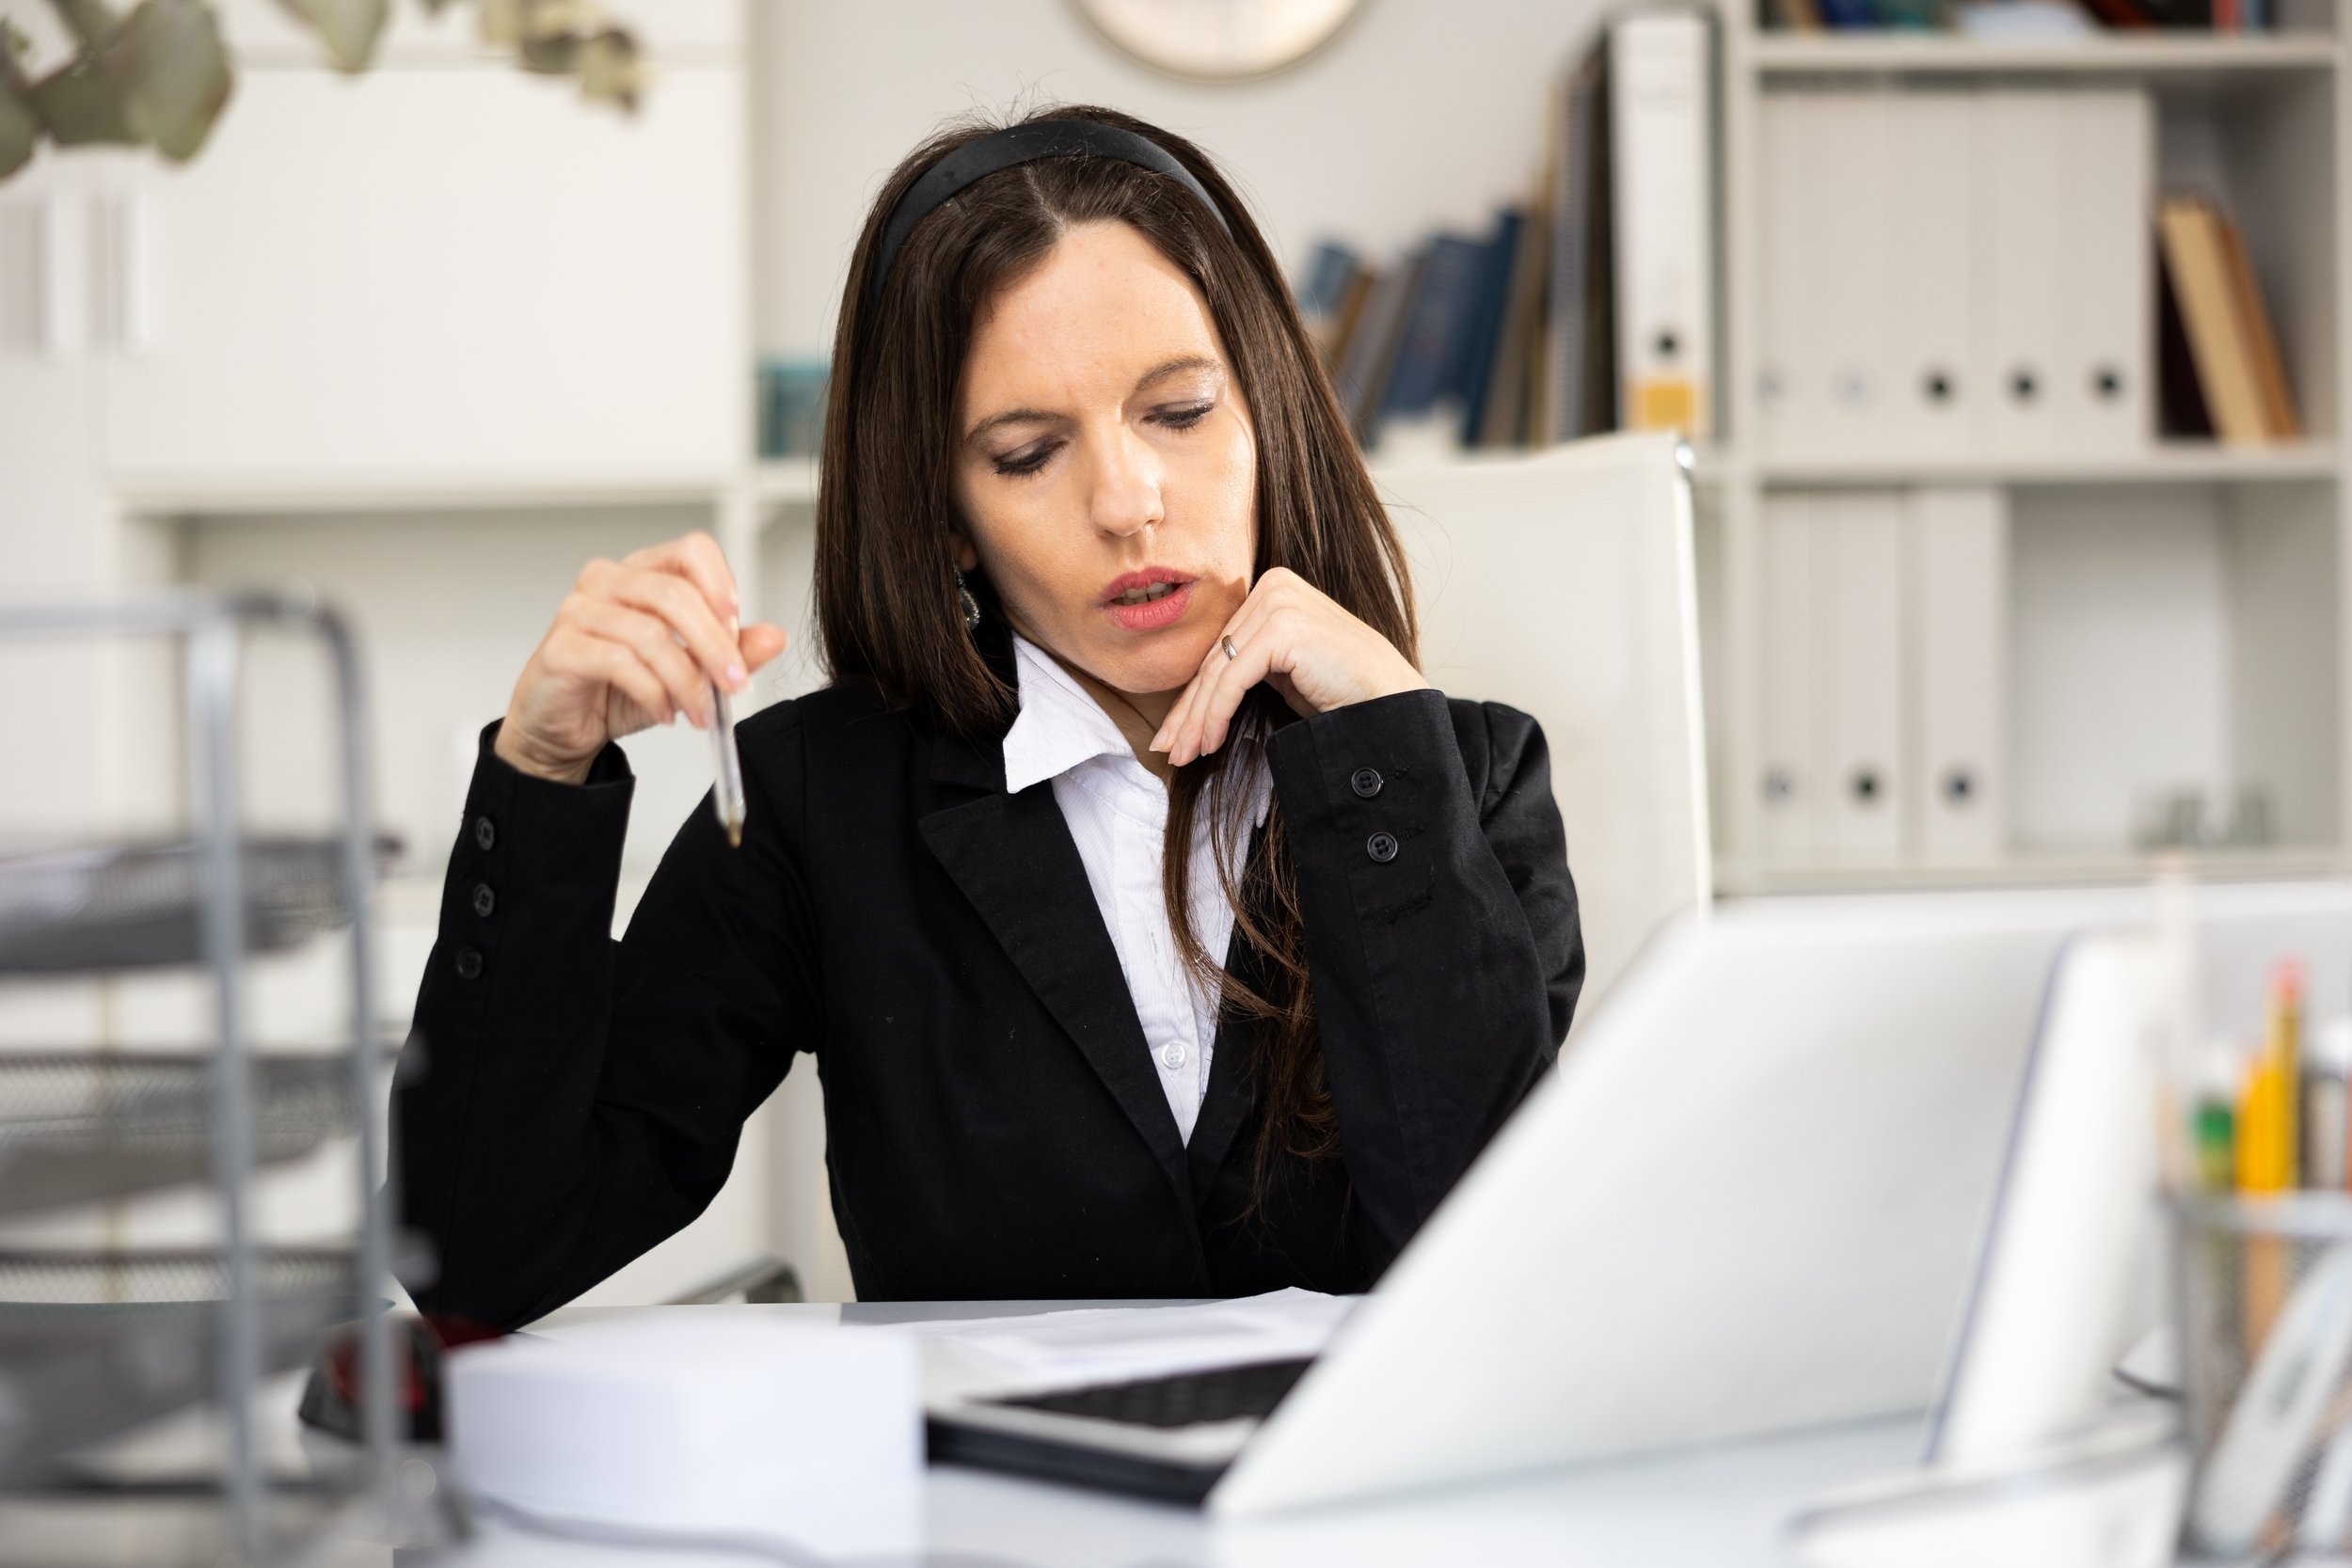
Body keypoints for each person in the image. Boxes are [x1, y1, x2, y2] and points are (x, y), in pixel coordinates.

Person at [394, 105, 1582, 1327]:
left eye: (1180, 414)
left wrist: (1385, 744)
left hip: (1362, 1511)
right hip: (979, 1516)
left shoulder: (1465, 776)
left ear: (1268, 418)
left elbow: (1506, 1276)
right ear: (948, 514)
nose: (1129, 504)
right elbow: (484, 1257)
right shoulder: (817, 805)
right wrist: (542, 773)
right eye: (1026, 454)